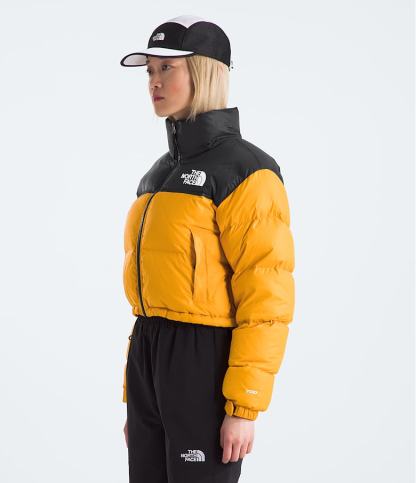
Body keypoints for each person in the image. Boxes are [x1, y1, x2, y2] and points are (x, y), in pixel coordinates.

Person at [119, 14, 296, 483]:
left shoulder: (247, 171)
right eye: (150, 71)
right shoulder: (157, 175)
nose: (154, 82)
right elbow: (150, 298)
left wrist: (243, 406)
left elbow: (267, 296)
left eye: (167, 68)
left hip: (205, 361)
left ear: (203, 71)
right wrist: (138, 398)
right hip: (149, 358)